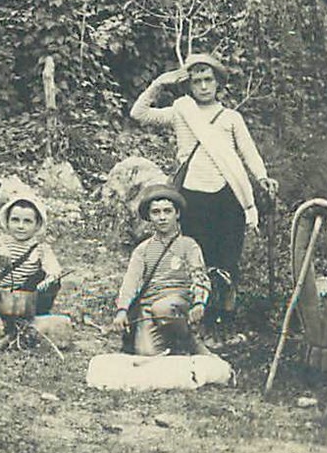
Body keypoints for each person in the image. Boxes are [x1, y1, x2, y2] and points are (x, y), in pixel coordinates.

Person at [129, 52, 277, 325]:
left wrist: (262, 177)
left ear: (218, 83)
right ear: (189, 85)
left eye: (209, 80)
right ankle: (200, 313)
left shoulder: (231, 118)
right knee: (196, 254)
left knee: (228, 255)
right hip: (191, 195)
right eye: (197, 81)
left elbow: (249, 153)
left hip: (226, 194)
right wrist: (161, 83)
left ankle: (227, 314)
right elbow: (139, 113)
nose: (204, 86)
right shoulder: (181, 111)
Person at [0, 194, 75, 349]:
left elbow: (54, 270)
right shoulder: (0, 242)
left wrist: (48, 280)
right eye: (15, 220)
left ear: (37, 225)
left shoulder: (41, 249)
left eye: (27, 221)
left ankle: (27, 327)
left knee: (49, 283)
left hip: (27, 297)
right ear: (7, 223)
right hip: (1, 297)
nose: (20, 226)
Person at [111, 184, 210, 356]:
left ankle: (189, 341)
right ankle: (173, 350)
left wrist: (199, 302)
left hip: (178, 304)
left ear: (177, 214)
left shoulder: (188, 245)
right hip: (149, 307)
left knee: (163, 308)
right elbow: (131, 281)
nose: (162, 217)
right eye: (156, 212)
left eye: (167, 211)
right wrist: (122, 310)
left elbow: (199, 275)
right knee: (146, 353)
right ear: (149, 217)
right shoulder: (142, 250)